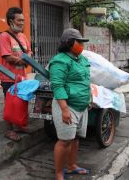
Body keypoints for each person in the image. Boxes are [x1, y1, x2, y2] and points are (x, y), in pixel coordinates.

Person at [49, 28, 91, 180]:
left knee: (76, 138)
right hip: (67, 106)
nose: (81, 45)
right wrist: (64, 109)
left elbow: (85, 81)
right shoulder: (60, 61)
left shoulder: (82, 59)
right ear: (69, 43)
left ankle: (72, 166)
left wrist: (89, 98)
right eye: (78, 42)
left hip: (81, 106)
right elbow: (58, 86)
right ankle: (59, 174)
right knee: (65, 140)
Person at [0, 7, 32, 141]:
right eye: (19, 20)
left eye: (23, 20)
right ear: (11, 21)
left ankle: (20, 125)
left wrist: (27, 57)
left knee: (22, 101)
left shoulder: (23, 36)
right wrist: (23, 60)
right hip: (8, 77)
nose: (22, 23)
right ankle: (9, 130)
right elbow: (7, 56)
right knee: (10, 103)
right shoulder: (4, 36)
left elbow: (29, 51)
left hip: (22, 76)